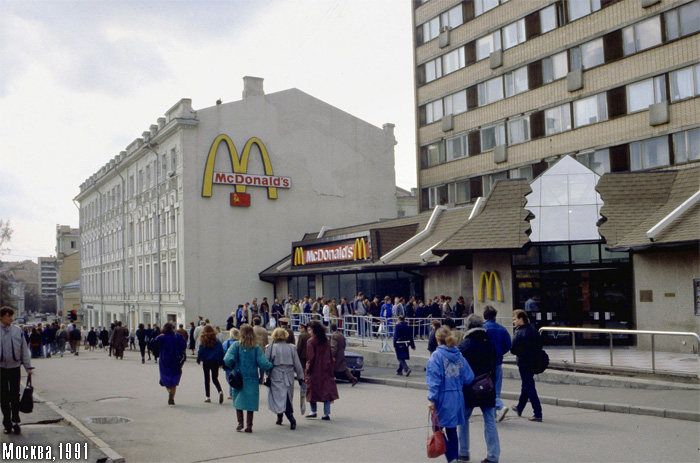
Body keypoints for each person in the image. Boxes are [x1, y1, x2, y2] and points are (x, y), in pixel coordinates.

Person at [426, 327, 474, 463]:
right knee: (452, 429)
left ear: (437, 339)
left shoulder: (436, 356)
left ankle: (452, 458)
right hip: (457, 397)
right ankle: (454, 457)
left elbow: (434, 379)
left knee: (437, 427)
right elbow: (469, 377)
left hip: (442, 397)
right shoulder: (458, 355)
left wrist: (432, 398)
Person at [457, 315, 500, 463]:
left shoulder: (465, 344)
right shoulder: (489, 342)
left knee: (463, 419)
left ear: (468, 327)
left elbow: (459, 367)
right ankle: (493, 455)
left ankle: (463, 452)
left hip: (469, 387)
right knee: (490, 420)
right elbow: (495, 362)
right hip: (487, 385)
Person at [223, 324, 273, 433]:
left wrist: (233, 366)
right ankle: (249, 425)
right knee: (251, 402)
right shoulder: (256, 348)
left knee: (238, 400)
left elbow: (227, 359)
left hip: (239, 377)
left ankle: (240, 422)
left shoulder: (236, 346)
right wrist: (271, 365)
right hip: (252, 378)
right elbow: (263, 364)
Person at [0, 307, 34, 435]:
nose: (11, 318)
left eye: (11, 316)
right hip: (1, 368)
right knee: (3, 397)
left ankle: (15, 420)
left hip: (15, 367)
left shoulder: (17, 331)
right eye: (8, 316)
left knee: (15, 395)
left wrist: (28, 367)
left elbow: (24, 350)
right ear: (1, 317)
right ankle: (7, 423)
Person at [265, 328, 304, 430]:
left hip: (276, 375)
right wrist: (300, 376)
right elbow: (297, 363)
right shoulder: (291, 348)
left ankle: (290, 418)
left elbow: (267, 364)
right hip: (289, 374)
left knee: (279, 397)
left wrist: (267, 375)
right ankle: (280, 417)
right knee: (287, 396)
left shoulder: (270, 348)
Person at [511, 309, 543, 422]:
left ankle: (537, 413)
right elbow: (540, 344)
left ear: (521, 319)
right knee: (526, 384)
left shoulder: (520, 332)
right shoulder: (533, 330)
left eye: (514, 319)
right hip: (533, 361)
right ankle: (519, 407)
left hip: (524, 362)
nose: (513, 322)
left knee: (529, 386)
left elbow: (513, 349)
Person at [304, 321, 339, 420]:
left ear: (314, 330)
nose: (309, 332)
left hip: (315, 370)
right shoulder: (326, 341)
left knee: (312, 390)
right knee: (326, 391)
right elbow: (329, 355)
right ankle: (326, 413)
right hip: (325, 369)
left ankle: (313, 411)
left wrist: (307, 370)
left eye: (310, 330)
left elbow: (310, 358)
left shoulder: (310, 341)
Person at [483, 306, 512, 422]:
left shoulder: (483, 329)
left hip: (486, 362)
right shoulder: (502, 329)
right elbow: (508, 344)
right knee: (497, 386)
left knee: (487, 387)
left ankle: (495, 409)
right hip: (498, 361)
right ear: (495, 316)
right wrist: (500, 352)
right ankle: (496, 408)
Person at [152, 322, 187, 406]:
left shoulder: (161, 337)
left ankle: (169, 392)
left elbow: (153, 343)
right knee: (174, 379)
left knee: (165, 378)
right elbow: (184, 345)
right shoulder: (177, 336)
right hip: (175, 359)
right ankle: (172, 398)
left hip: (164, 359)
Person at [197, 325, 225, 404]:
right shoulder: (217, 341)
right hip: (215, 361)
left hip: (206, 361)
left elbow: (200, 350)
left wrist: (199, 359)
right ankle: (220, 391)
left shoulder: (203, 340)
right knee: (215, 378)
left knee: (206, 379)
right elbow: (221, 352)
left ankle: (207, 397)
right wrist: (221, 362)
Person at [296, 323, 311, 415]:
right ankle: (307, 378)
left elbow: (299, 346)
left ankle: (303, 380)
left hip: (302, 355)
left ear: (303, 328)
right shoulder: (309, 335)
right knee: (307, 368)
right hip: (308, 355)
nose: (300, 329)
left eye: (301, 328)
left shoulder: (302, 336)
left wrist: (296, 355)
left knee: (302, 369)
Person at [222, 328, 241, 400]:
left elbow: (223, 353)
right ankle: (235, 392)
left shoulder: (226, 343)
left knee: (229, 378)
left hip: (228, 365)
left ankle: (232, 393)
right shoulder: (240, 343)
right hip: (238, 364)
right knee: (238, 377)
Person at [252, 317, 269, 384]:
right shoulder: (264, 330)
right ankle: (261, 378)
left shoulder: (252, 330)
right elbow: (266, 341)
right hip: (262, 348)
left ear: (253, 323)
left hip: (253, 349)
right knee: (261, 365)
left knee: (254, 364)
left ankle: (255, 378)